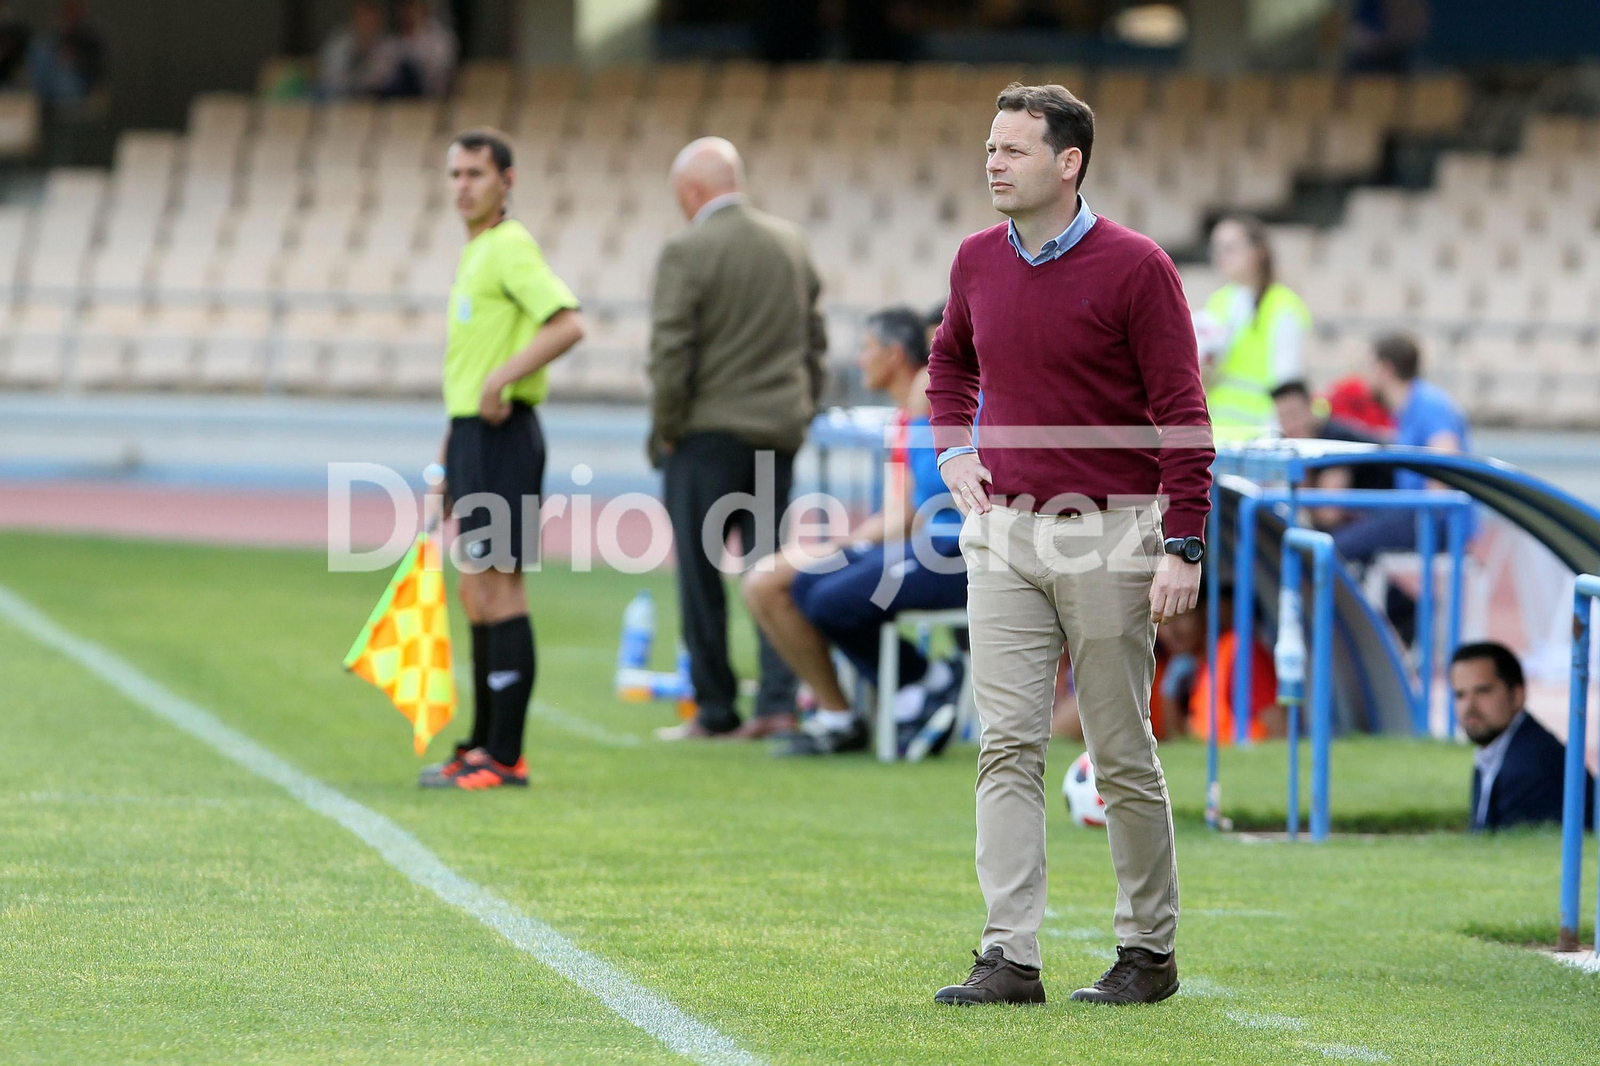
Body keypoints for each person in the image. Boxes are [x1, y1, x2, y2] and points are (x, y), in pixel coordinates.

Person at [927, 82, 1213, 1007]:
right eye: (990, 148)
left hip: (1113, 531)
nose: (994, 163)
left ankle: (1148, 952)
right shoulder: (975, 259)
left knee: (1120, 748)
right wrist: (953, 448)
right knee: (1005, 745)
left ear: (1068, 162)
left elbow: (1182, 414)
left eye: (1012, 149)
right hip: (1003, 532)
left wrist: (1184, 542)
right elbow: (948, 364)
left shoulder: (1139, 268)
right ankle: (1009, 955)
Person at [418, 128, 585, 790]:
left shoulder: (510, 247)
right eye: (455, 174)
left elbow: (568, 322)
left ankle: (505, 756)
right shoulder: (477, 251)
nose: (463, 186)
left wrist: (501, 381)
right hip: (471, 437)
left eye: (476, 175)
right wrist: (446, 462)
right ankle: (482, 745)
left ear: (506, 182)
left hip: (504, 433)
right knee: (474, 588)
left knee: (500, 586)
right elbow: (467, 368)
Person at [649, 137, 827, 742]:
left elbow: (671, 353)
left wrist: (666, 430)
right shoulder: (791, 244)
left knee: (700, 578)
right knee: (769, 570)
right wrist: (801, 413)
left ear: (694, 192)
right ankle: (777, 703)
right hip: (776, 435)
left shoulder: (687, 249)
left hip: (704, 434)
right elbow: (815, 341)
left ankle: (716, 708)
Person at [742, 307, 966, 758]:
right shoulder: (912, 418)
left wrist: (848, 544)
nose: (859, 359)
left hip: (959, 549)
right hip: (926, 543)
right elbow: (906, 510)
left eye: (867, 348)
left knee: (824, 597)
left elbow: (915, 514)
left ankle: (919, 685)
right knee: (806, 585)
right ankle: (910, 689)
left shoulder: (954, 399)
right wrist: (846, 545)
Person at [1333, 332, 1471, 566]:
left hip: (1434, 522)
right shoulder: (1408, 409)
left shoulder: (1428, 404)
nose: (1365, 377)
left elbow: (1446, 457)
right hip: (1419, 516)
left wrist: (1427, 520)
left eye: (1369, 367)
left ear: (1385, 370)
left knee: (1334, 548)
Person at [1451, 642, 1591, 833]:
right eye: (1460, 695)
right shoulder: (1498, 750)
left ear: (1517, 695)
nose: (1469, 706)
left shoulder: (1531, 765)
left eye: (1483, 691)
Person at [1195, 215, 1311, 440]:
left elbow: (1287, 387)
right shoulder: (1218, 302)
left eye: (1230, 248)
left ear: (1258, 251)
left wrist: (1275, 440)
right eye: (1216, 248)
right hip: (1219, 436)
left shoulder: (1282, 305)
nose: (1221, 256)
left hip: (1262, 438)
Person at [1272, 378, 1395, 529]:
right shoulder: (1305, 445)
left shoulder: (1333, 441)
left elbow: (1329, 514)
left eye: (1293, 414)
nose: (1290, 424)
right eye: (1282, 418)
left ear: (1310, 408)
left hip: (1395, 508)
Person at [376, 0, 457, 98]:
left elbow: (440, 74)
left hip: (429, 97)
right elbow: (378, 77)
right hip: (396, 99)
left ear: (422, 8)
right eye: (404, 8)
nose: (407, 12)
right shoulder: (390, 43)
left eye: (412, 7)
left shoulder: (440, 39)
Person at [27, 0, 103, 104]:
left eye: (74, 10)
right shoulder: (55, 35)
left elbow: (96, 69)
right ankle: (35, 96)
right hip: (50, 78)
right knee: (41, 48)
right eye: (68, 10)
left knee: (65, 82)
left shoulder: (91, 38)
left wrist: (75, 58)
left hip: (78, 81)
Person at [318, 0, 388, 99]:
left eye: (371, 22)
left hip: (370, 102)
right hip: (338, 100)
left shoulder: (384, 47)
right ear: (355, 19)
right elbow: (330, 79)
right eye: (363, 19)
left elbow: (381, 80)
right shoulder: (339, 43)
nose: (366, 26)